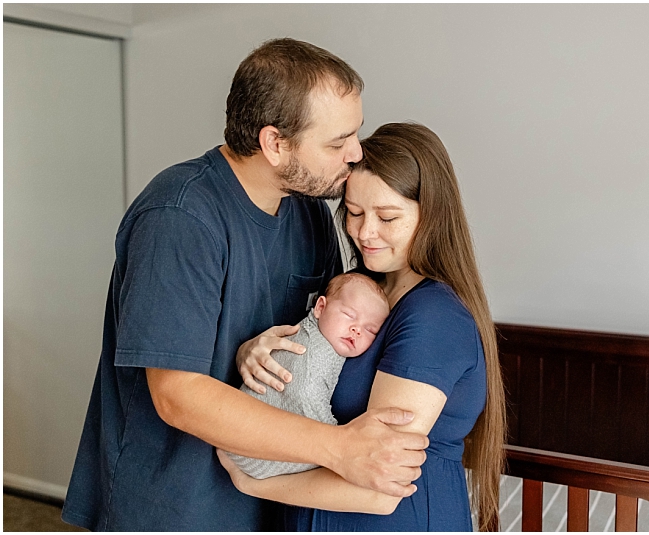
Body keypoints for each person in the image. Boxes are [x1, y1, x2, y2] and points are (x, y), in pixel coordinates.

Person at [61, 39, 427, 532]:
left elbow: (315, 334)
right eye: (338, 142)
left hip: (270, 498)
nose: (356, 153)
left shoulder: (310, 211)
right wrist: (340, 447)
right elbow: (177, 394)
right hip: (174, 508)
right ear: (275, 143)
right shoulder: (180, 216)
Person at [222, 122, 507, 531]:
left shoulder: (433, 318)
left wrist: (250, 481)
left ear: (432, 216)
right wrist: (254, 351)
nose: (365, 233)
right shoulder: (363, 293)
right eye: (354, 213)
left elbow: (377, 490)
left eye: (387, 218)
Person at [227, 272, 390, 478]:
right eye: (349, 315)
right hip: (251, 453)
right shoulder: (314, 350)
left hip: (245, 440)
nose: (357, 330)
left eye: (370, 329)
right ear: (321, 307)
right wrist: (343, 439)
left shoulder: (323, 337)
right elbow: (306, 395)